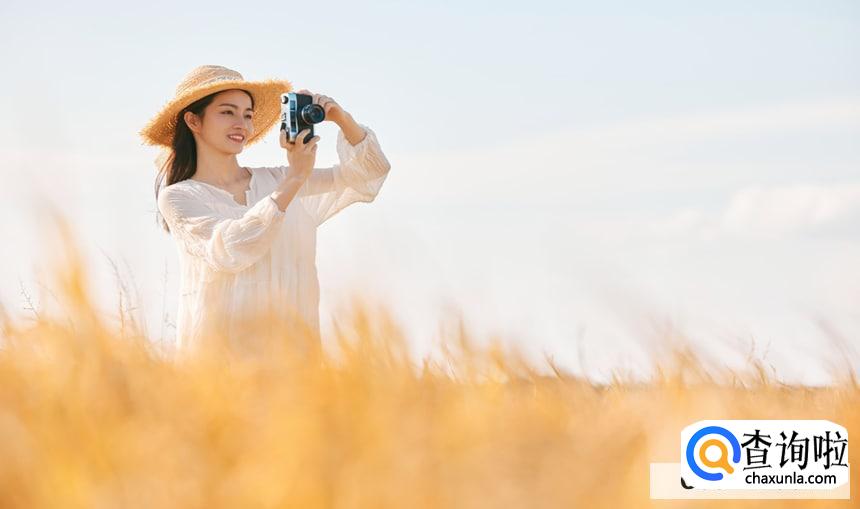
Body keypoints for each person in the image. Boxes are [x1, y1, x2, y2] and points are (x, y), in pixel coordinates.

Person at [139, 64, 391, 358]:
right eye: (227, 112)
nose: (242, 124)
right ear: (194, 121)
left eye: (247, 114)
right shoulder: (180, 197)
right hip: (219, 369)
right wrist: (295, 178)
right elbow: (231, 249)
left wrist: (341, 119)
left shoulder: (277, 181)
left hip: (294, 365)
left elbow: (368, 176)